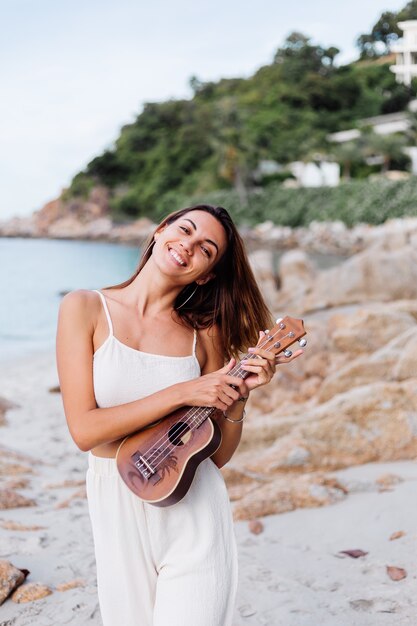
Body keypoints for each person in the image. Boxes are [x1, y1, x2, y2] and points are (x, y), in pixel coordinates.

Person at [55, 204, 303, 626]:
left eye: (206, 249)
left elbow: (216, 455)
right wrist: (181, 392)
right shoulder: (85, 309)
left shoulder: (204, 334)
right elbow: (84, 431)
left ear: (206, 274)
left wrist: (239, 398)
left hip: (194, 507)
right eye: (184, 230)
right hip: (116, 500)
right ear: (159, 230)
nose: (187, 246)